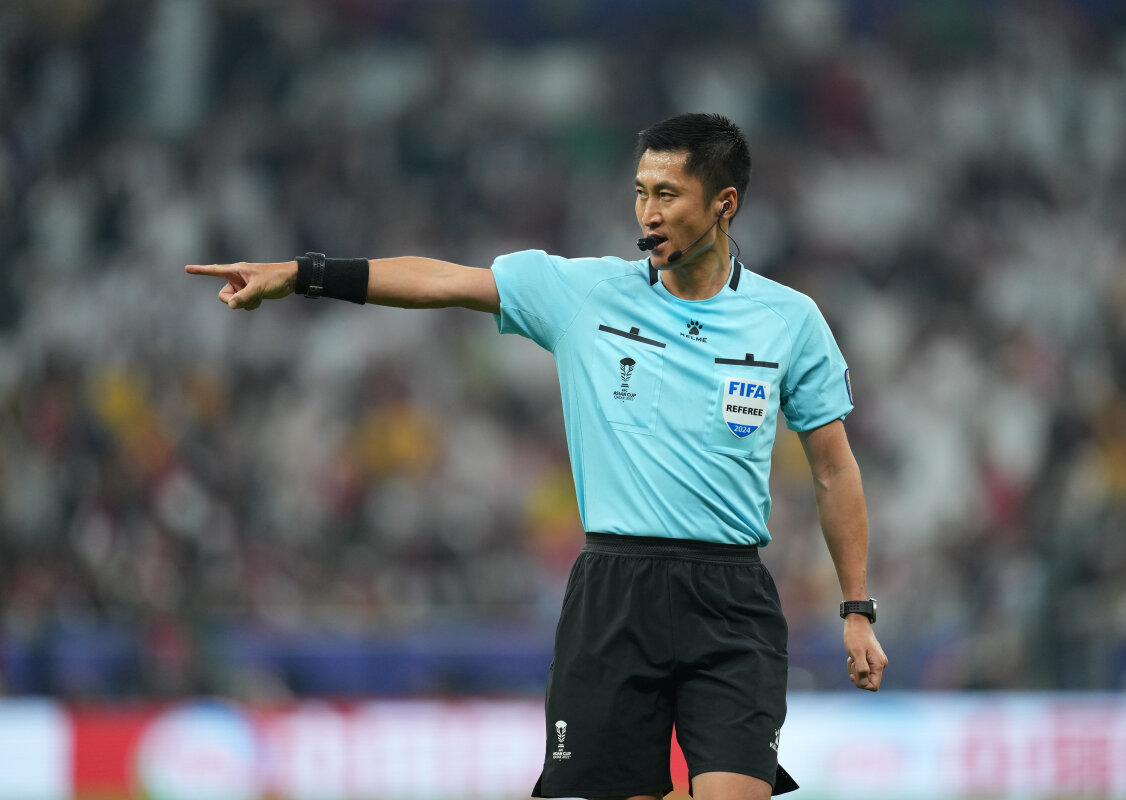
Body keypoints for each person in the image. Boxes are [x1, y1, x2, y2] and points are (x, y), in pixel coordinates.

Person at [186, 112, 887, 800]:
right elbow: (441, 282)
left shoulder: (790, 320)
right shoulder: (582, 293)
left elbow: (833, 469)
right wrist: (302, 274)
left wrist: (856, 608)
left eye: (668, 195)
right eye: (641, 192)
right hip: (616, 591)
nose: (647, 212)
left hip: (731, 598)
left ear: (724, 204)